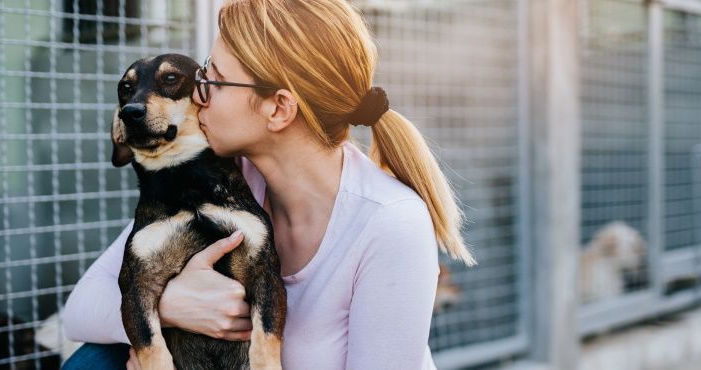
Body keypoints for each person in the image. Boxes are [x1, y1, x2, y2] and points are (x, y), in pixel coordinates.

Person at [61, 0, 476, 369]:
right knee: (95, 359)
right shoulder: (228, 176)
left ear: (278, 109)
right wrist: (172, 306)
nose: (198, 96)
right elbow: (80, 309)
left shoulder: (389, 223)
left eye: (214, 80)